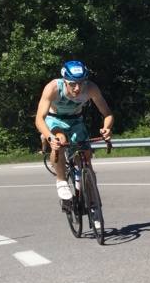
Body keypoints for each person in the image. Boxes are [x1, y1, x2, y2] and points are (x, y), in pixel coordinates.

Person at [35, 61, 114, 200]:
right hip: (54, 119)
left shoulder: (91, 88)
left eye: (82, 83)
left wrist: (107, 128)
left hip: (76, 119)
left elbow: (107, 113)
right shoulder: (53, 87)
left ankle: (87, 188)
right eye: (72, 84)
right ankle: (61, 180)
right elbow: (39, 119)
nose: (77, 88)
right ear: (64, 81)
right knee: (60, 141)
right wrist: (50, 138)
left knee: (85, 155)